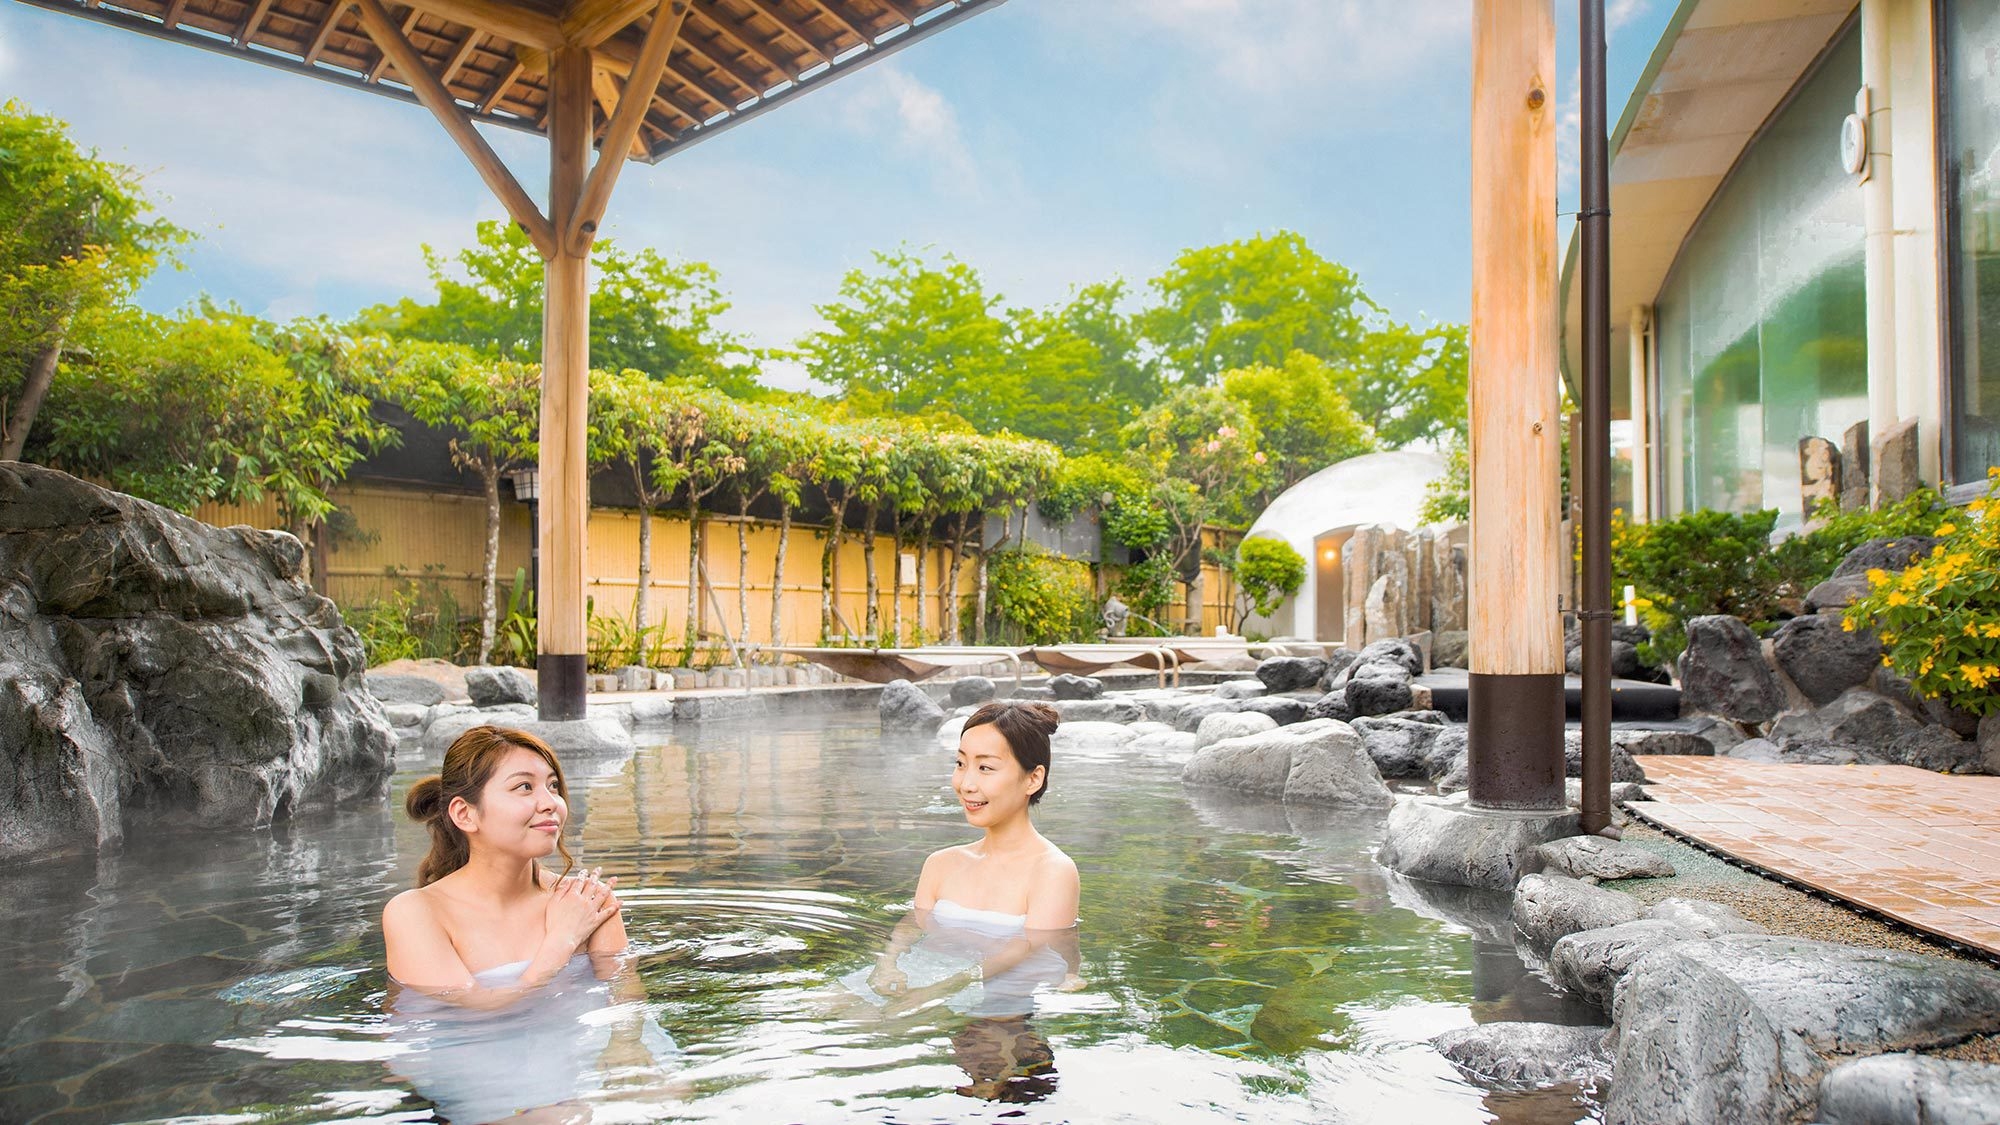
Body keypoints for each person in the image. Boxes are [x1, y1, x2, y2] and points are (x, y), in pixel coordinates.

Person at [382, 726, 674, 1122]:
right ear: (465, 814)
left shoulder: (587, 900)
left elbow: (623, 989)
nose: (549, 802)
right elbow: (474, 1010)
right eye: (524, 788)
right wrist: (562, 940)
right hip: (478, 1057)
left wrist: (626, 1049)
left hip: (587, 1045)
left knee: (666, 1099)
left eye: (552, 786)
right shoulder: (416, 912)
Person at [853, 701, 1082, 1102]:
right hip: (922, 978)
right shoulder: (941, 863)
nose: (966, 784)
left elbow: (1037, 948)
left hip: (993, 1005)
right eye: (961, 764)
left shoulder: (1053, 870)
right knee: (820, 1016)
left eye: (985, 767)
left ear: (1033, 779)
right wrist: (886, 963)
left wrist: (951, 986)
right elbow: (913, 923)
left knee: (983, 1080)